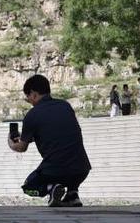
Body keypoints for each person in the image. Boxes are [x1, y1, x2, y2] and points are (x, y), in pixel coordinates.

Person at [8, 74, 91, 207]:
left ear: (34, 94)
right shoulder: (65, 106)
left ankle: (51, 188)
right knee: (71, 168)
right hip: (82, 169)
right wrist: (31, 136)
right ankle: (72, 194)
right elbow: (56, 133)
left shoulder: (32, 115)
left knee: (28, 187)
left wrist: (11, 143)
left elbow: (21, 147)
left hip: (56, 170)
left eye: (28, 97)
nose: (29, 101)